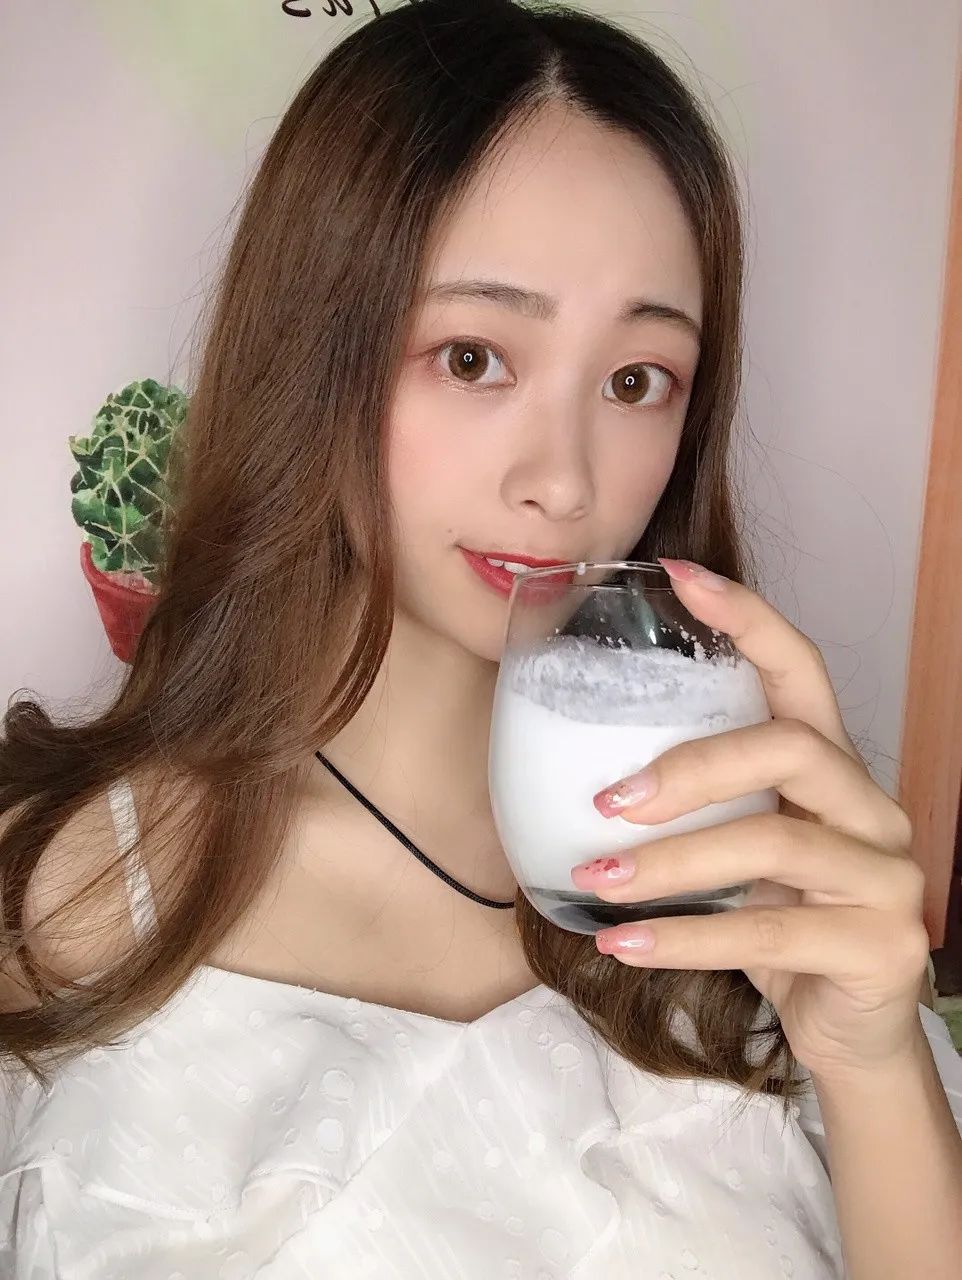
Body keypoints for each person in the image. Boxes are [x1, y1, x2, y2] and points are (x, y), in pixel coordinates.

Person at [1, 1, 960, 1276]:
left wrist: (871, 1059)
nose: (561, 480)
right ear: (312, 352)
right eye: (471, 357)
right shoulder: (56, 892)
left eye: (634, 380)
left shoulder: (763, 889)